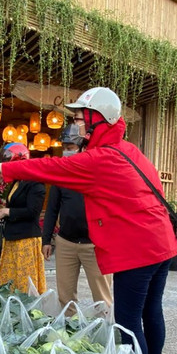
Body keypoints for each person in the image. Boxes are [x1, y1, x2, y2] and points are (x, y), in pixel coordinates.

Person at [0, 87, 177, 354]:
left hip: (139, 249)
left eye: (80, 118)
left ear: (98, 119)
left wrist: (1, 167)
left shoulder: (100, 158)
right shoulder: (128, 149)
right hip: (162, 243)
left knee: (128, 320)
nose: (75, 124)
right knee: (151, 310)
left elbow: (49, 168)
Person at [42, 124, 113, 315]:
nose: (66, 151)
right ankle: (70, 332)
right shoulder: (61, 173)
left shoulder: (98, 170)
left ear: (83, 146)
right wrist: (46, 239)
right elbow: (52, 209)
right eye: (64, 147)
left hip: (95, 244)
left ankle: (104, 333)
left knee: (102, 297)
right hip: (66, 242)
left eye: (70, 147)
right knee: (65, 298)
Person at [0, 143, 47, 294]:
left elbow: (32, 212)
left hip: (26, 240)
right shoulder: (18, 181)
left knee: (24, 284)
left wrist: (7, 211)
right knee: (9, 281)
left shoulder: (35, 182)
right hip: (12, 237)